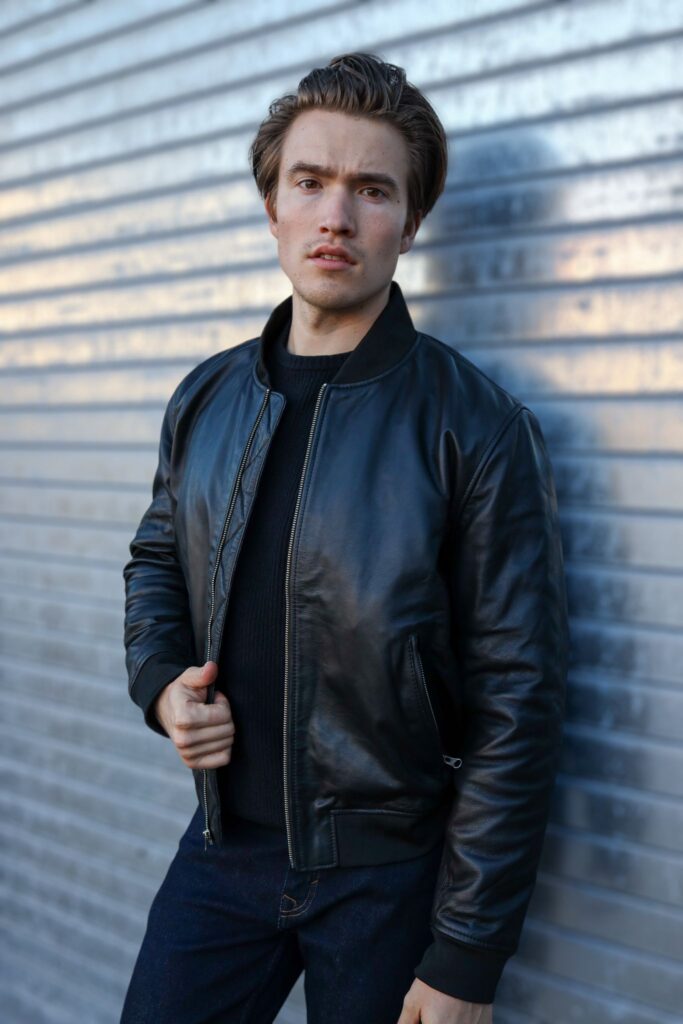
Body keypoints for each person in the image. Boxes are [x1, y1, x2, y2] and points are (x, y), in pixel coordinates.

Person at [120, 51, 569, 1024]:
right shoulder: (205, 397)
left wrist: (465, 954)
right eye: (309, 181)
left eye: (371, 189)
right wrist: (159, 680)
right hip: (220, 849)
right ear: (272, 204)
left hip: (388, 879)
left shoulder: (476, 426)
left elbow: (516, 696)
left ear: (408, 221)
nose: (336, 215)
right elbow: (157, 558)